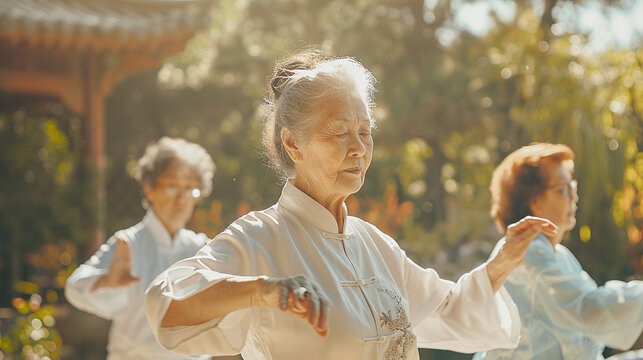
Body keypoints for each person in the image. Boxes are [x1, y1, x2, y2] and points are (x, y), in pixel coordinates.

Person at [144, 48, 557, 360]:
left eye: (365, 131)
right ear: (292, 143)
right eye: (339, 132)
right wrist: (261, 291)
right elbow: (167, 305)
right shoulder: (260, 237)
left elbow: (447, 311)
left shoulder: (374, 244)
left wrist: (500, 263)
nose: (358, 149)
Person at [474, 143, 643, 360]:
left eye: (573, 186)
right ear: (534, 201)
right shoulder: (527, 252)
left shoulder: (557, 254)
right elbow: (587, 309)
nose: (574, 196)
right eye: (563, 188)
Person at [65, 137, 216, 360]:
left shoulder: (201, 249)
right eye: (172, 186)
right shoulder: (128, 244)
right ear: (149, 189)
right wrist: (105, 282)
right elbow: (74, 288)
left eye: (190, 189)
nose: (181, 199)